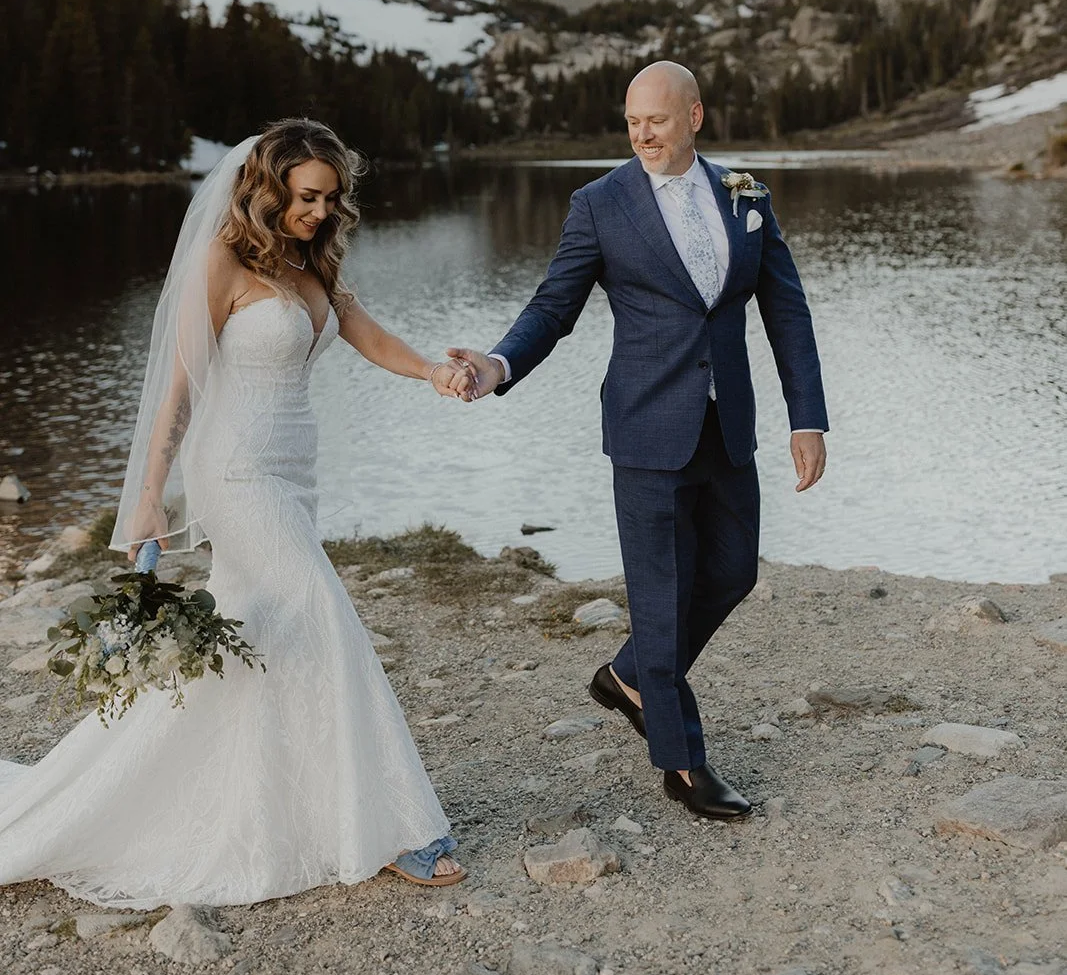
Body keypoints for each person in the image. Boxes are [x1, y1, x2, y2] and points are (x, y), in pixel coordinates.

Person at [0, 118, 471, 904]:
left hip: (292, 471)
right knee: (321, 609)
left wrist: (430, 371)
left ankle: (254, 799)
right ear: (269, 186)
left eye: (330, 198)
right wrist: (148, 497)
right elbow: (178, 391)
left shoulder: (308, 262)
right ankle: (393, 825)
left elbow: (361, 331)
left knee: (259, 636)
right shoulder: (220, 261)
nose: (320, 211)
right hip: (236, 472)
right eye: (307, 196)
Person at [452, 62, 828, 820]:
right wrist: (497, 365)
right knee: (659, 598)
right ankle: (682, 765)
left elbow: (785, 313)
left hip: (726, 429)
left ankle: (627, 675)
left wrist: (806, 417)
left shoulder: (745, 194)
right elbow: (553, 306)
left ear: (694, 115)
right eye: (630, 122)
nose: (641, 134)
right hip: (645, 428)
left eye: (655, 119)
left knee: (731, 572)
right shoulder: (600, 204)